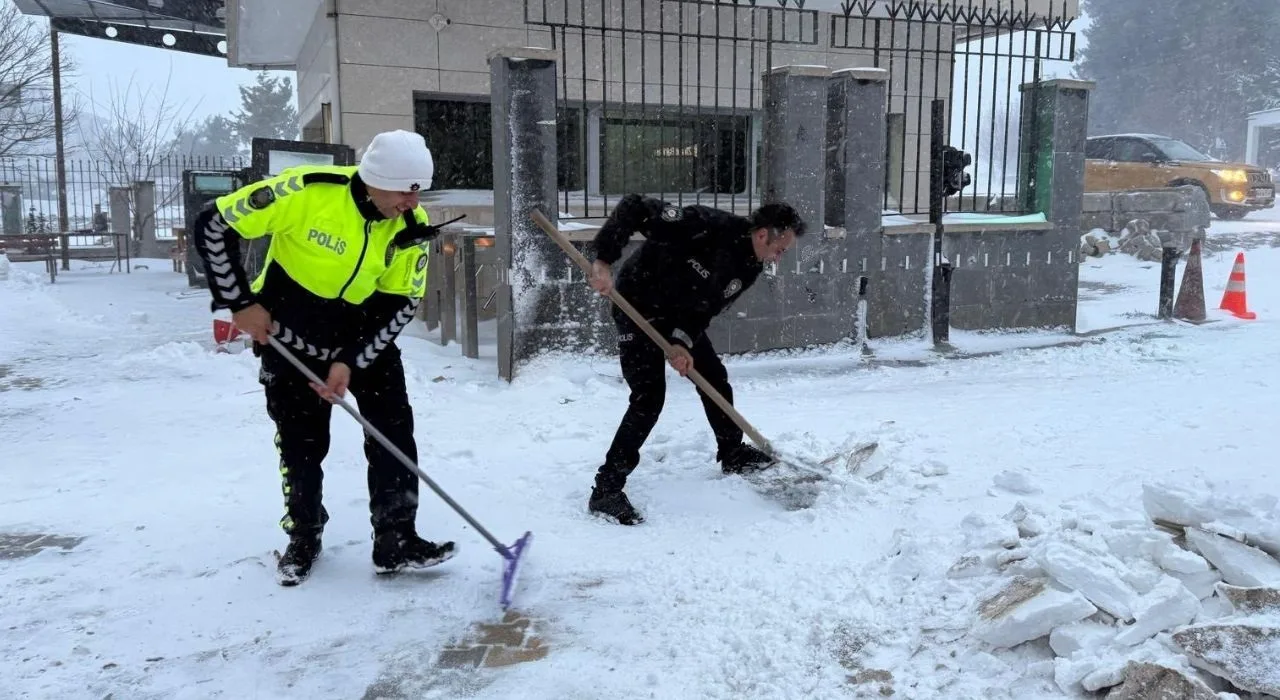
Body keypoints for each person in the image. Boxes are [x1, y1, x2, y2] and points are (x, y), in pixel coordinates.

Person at [191, 129, 456, 585]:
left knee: (393, 432)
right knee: (301, 444)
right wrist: (240, 302)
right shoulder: (308, 190)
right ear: (373, 178)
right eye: (403, 191)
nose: (412, 203)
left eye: (418, 192)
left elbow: (402, 302)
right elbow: (213, 223)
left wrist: (351, 360)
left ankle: (395, 539)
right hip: (290, 335)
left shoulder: (410, 224)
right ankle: (304, 535)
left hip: (364, 336)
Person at [585, 195, 807, 525]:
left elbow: (705, 308)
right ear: (763, 234)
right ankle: (606, 489)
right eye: (781, 249)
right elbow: (634, 207)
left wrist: (681, 343)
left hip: (676, 315)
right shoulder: (704, 225)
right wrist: (603, 263)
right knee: (648, 398)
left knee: (713, 376)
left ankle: (731, 452)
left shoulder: (748, 267)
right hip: (637, 305)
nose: (779, 257)